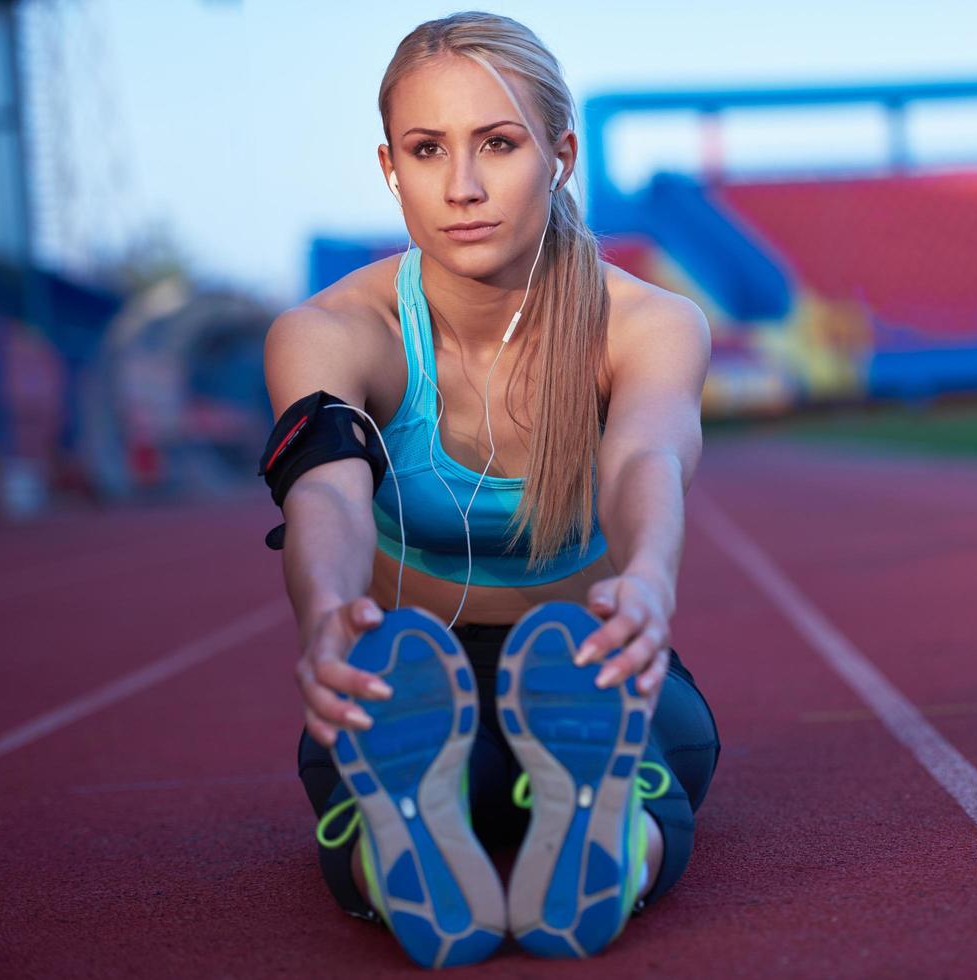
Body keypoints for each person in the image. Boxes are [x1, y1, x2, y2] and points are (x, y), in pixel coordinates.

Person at [259, 10, 720, 965]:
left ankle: (461, 852)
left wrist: (647, 583)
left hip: (586, 664)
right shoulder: (335, 332)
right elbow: (328, 494)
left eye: (497, 145)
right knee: (402, 736)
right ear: (391, 168)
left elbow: (646, 456)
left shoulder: (646, 324)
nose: (461, 187)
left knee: (634, 730)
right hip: (405, 676)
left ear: (559, 155)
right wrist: (327, 614)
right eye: (427, 151)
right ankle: (558, 841)